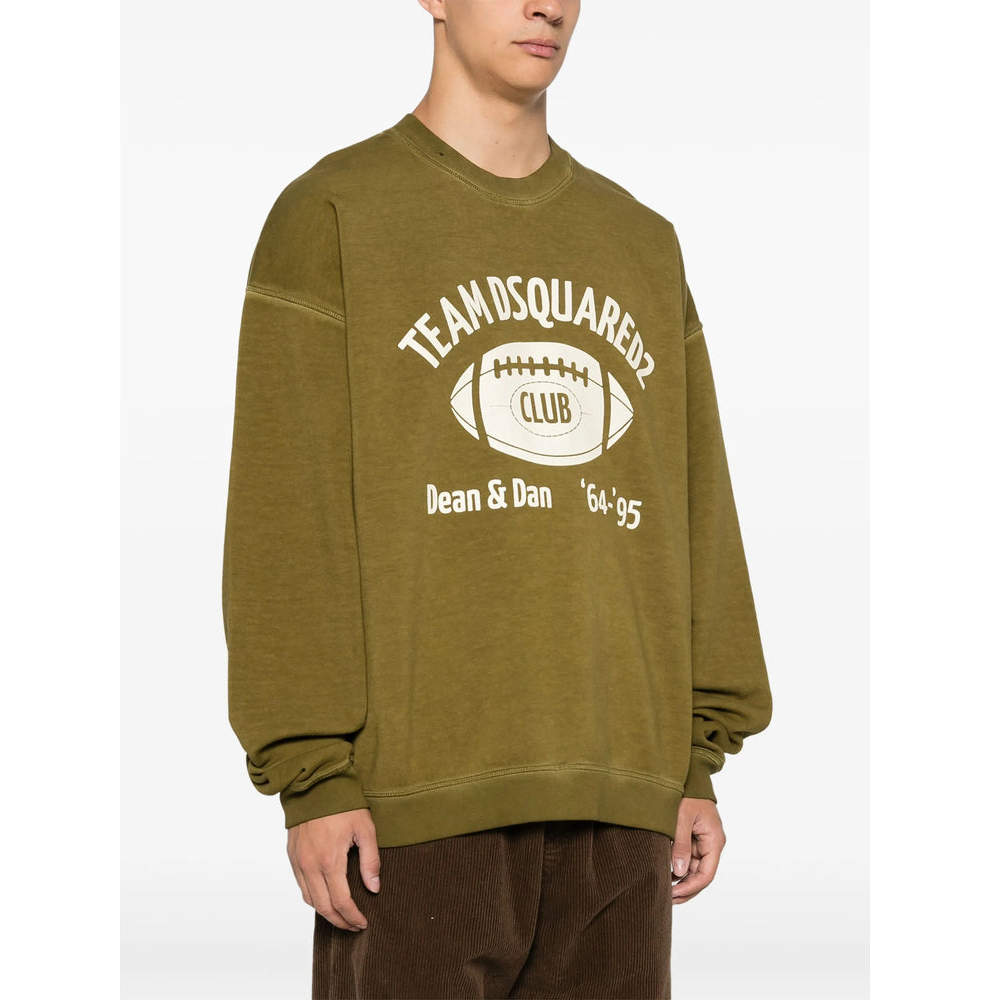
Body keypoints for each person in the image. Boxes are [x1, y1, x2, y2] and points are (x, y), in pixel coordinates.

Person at [222, 1, 772, 997]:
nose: (546, 5)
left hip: (621, 801)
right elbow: (288, 521)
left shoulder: (639, 242)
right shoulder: (336, 216)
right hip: (415, 808)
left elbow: (694, 509)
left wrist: (693, 761)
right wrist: (314, 774)